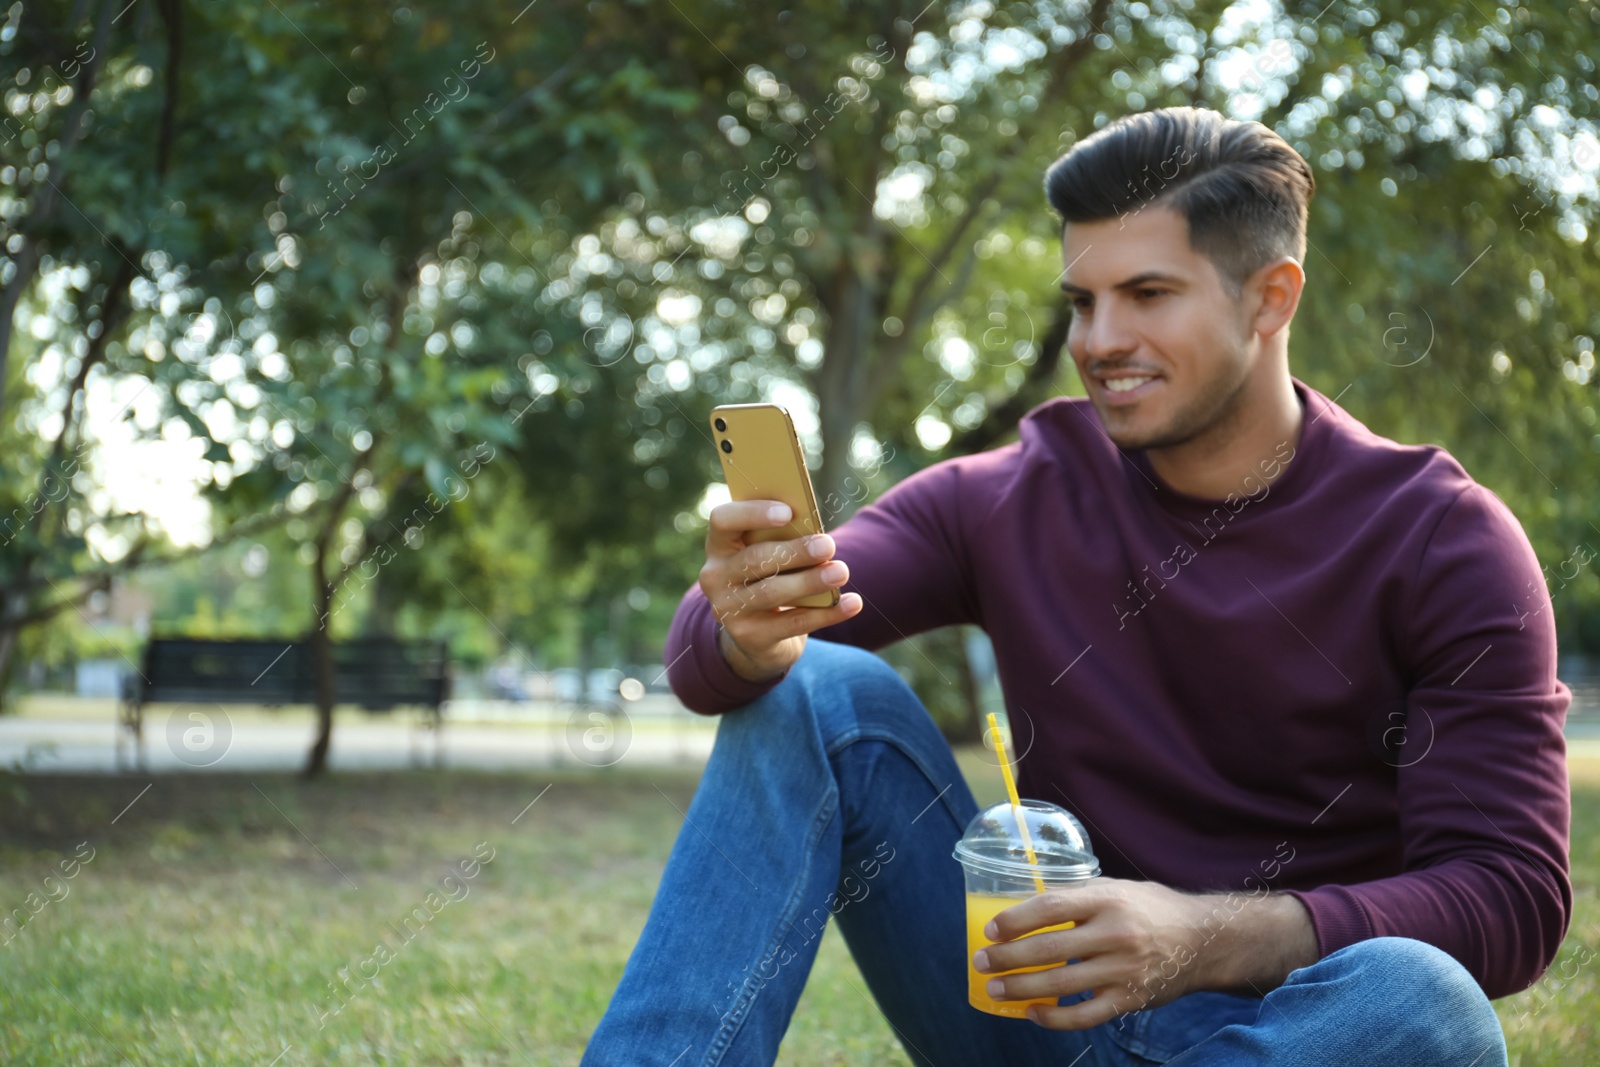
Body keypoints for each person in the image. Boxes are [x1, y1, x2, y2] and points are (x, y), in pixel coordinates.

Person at [580, 106, 1571, 1066]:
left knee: (1424, 1002)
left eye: (1147, 294)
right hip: (1039, 1012)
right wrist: (746, 624)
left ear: (1270, 297)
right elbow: (713, 656)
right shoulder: (1011, 491)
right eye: (1081, 301)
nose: (1098, 341)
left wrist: (1200, 933)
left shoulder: (1443, 539)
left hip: (1290, 1030)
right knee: (806, 684)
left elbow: (1510, 895)